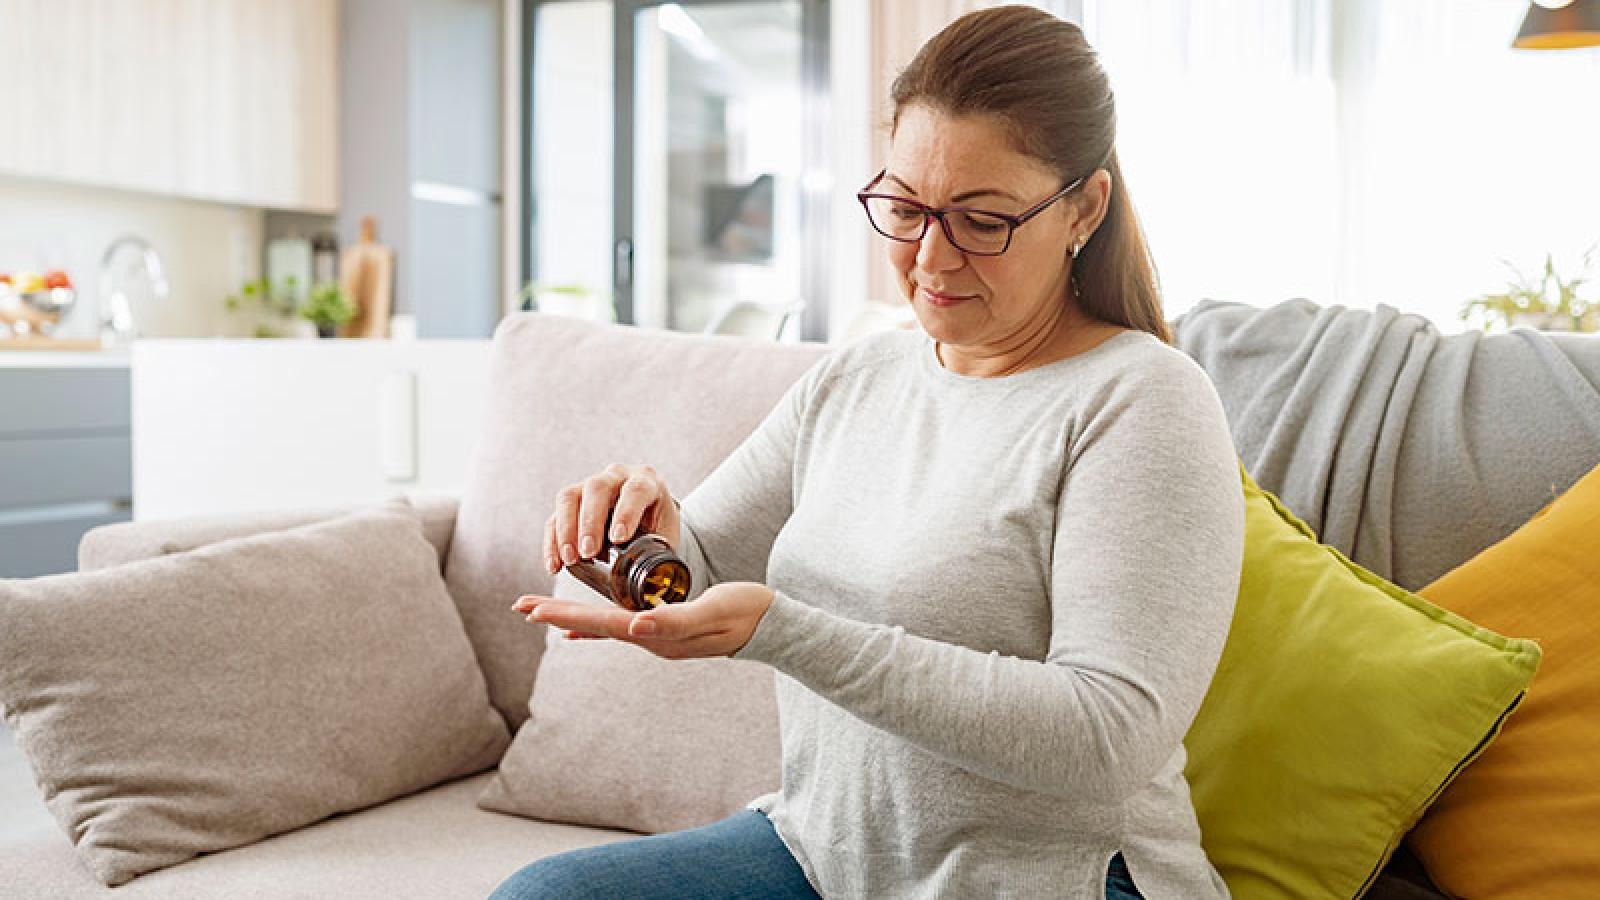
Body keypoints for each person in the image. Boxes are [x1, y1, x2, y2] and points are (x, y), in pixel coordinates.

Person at [491, 6, 1244, 899]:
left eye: (982, 220)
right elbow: (698, 573)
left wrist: (786, 631)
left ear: (1084, 208)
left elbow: (1107, 738)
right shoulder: (858, 377)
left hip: (1052, 875)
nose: (931, 257)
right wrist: (637, 530)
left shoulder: (1142, 400)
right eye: (906, 207)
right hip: (826, 855)